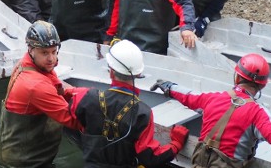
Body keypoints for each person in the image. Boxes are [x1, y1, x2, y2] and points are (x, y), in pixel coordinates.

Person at [154, 53, 271, 165]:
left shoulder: (214, 98)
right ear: (262, 85)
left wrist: (169, 87)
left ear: (237, 78)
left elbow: (189, 97)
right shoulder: (258, 113)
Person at [70, 40, 189, 168]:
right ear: (138, 74)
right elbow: (150, 158)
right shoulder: (142, 113)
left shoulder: (87, 98)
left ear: (111, 72)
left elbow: (72, 117)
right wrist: (176, 143)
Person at [0, 21, 81, 168]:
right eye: (45, 53)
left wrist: (82, 93)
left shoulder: (31, 63)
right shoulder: (35, 85)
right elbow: (72, 120)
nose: (51, 59)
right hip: (24, 163)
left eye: (54, 52)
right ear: (31, 50)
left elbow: (57, 87)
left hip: (16, 154)